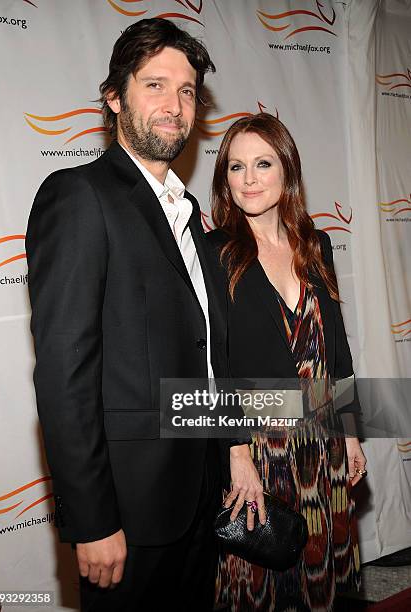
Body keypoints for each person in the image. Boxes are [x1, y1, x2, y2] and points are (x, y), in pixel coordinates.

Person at [26, 18, 263, 612]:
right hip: (128, 513)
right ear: (114, 97)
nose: (175, 105)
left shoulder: (191, 218)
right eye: (155, 85)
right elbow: (64, 373)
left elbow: (213, 356)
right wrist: (92, 519)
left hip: (203, 493)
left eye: (186, 91)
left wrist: (236, 454)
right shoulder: (79, 196)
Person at [208, 113, 367, 611]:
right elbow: (215, 366)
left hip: (324, 449)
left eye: (262, 163)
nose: (249, 178)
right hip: (259, 452)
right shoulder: (216, 253)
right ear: (225, 179)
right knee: (261, 583)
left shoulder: (315, 245)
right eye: (236, 167)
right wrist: (239, 458)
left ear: (287, 172)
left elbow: (336, 348)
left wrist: (352, 431)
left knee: (325, 573)